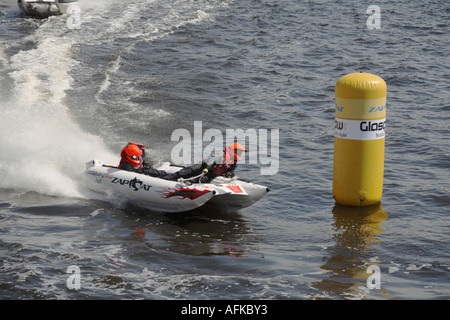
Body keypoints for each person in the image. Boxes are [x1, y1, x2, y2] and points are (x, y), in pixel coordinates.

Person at [173, 143, 247, 182]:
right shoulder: (220, 153)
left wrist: (229, 174)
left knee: (199, 180)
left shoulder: (233, 164)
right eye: (239, 152)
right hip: (202, 167)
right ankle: (162, 175)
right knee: (183, 173)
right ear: (234, 151)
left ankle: (187, 183)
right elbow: (212, 160)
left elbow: (231, 172)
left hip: (210, 175)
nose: (240, 154)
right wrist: (207, 168)